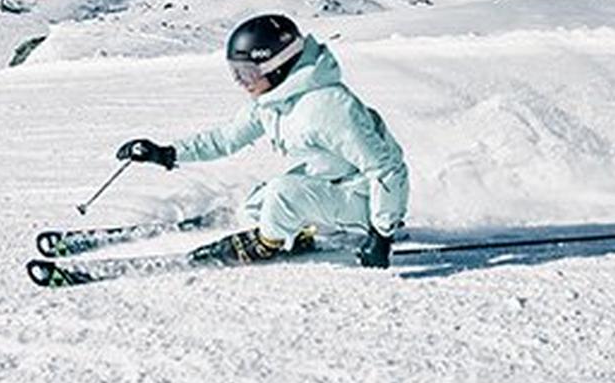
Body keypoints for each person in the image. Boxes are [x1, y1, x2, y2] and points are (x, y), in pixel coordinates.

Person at [117, 14, 409, 267]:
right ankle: (297, 233)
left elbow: (387, 169)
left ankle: (267, 244)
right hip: (332, 183)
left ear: (277, 66)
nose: (241, 82)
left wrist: (381, 235)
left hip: (366, 201)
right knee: (254, 208)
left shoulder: (329, 107)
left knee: (283, 194)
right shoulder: (273, 100)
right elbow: (226, 139)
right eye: (236, 73)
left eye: (248, 72)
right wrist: (166, 153)